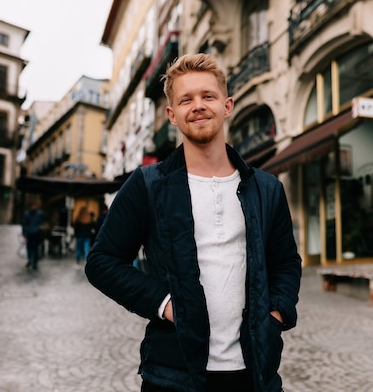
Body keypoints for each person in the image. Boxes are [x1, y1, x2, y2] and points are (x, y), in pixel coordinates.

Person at [85, 53, 302, 392]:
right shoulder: (147, 185)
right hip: (174, 375)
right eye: (186, 99)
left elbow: (286, 262)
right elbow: (102, 262)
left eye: (208, 96)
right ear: (172, 114)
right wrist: (165, 304)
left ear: (227, 105)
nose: (198, 106)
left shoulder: (266, 188)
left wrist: (274, 317)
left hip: (255, 372)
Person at [21, 202, 47, 271]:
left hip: (33, 233)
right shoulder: (38, 213)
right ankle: (32, 260)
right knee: (32, 248)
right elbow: (24, 224)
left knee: (33, 248)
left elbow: (24, 224)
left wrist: (24, 233)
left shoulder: (33, 214)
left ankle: (32, 260)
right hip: (33, 233)